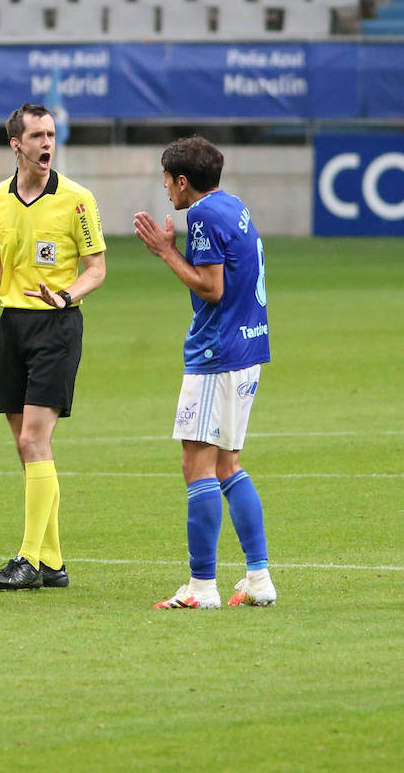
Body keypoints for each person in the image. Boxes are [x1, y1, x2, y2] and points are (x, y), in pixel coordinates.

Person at [0, 103, 106, 590]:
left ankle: (28, 559)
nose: (47, 143)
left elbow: (97, 268)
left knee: (33, 441)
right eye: (37, 136)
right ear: (16, 144)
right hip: (13, 328)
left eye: (51, 134)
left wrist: (66, 295)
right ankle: (52, 563)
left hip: (57, 326)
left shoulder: (76, 199)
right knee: (29, 447)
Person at [135, 135, 276, 610]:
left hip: (217, 356)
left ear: (181, 180)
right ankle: (258, 580)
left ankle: (201, 588)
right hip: (248, 348)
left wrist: (165, 252)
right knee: (228, 465)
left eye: (166, 179)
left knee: (196, 467)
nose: (166, 190)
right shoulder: (233, 205)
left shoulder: (203, 216)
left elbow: (212, 288)